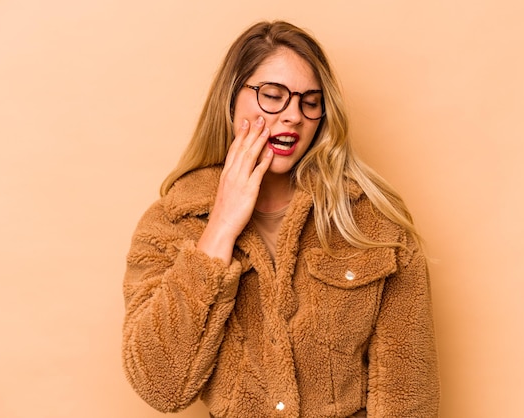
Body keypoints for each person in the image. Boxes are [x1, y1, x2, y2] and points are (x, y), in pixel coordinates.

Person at [122, 20, 439, 418]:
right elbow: (160, 386)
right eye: (273, 96)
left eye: (309, 101)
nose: (292, 116)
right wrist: (220, 227)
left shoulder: (371, 220)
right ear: (231, 99)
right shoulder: (171, 222)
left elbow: (408, 396)